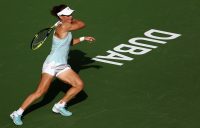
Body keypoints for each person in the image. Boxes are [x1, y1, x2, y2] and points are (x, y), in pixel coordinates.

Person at [10, 4, 95, 126]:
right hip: (52, 64)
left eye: (71, 14)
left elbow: (68, 43)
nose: (71, 16)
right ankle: (17, 113)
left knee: (79, 85)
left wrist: (82, 38)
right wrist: (66, 21)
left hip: (62, 65)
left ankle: (59, 106)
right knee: (40, 92)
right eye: (68, 15)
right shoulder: (64, 26)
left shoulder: (64, 26)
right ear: (61, 16)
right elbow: (82, 24)